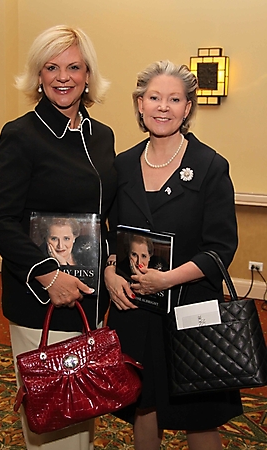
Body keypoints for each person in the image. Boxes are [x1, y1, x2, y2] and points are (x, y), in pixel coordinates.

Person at [0, 25, 117, 450]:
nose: (64, 77)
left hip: (90, 298)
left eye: (74, 67)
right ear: (38, 76)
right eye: (52, 67)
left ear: (88, 74)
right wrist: (48, 276)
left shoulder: (102, 136)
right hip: (42, 300)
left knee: (83, 414)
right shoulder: (21, 135)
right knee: (54, 419)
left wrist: (111, 266)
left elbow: (104, 215)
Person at [104, 60, 242, 450]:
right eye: (154, 97)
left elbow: (220, 249)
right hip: (136, 311)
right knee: (143, 407)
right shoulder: (123, 165)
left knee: (200, 416)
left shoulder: (210, 165)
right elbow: (113, 236)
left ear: (187, 108)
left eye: (174, 99)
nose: (163, 107)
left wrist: (166, 279)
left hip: (191, 310)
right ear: (140, 104)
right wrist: (112, 272)